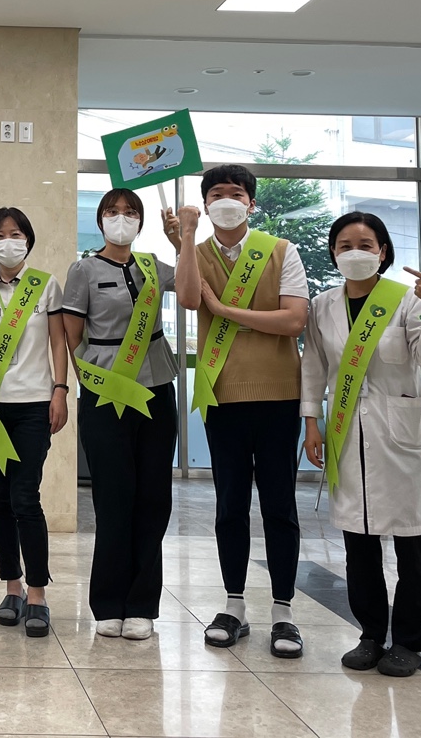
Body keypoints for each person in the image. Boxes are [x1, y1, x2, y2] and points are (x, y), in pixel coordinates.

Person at [301, 212, 421, 678]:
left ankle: (409, 642)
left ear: (382, 251)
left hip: (397, 433)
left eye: (365, 244)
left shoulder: (406, 299)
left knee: (412, 544)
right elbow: (314, 368)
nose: (355, 252)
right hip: (347, 431)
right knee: (358, 543)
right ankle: (370, 635)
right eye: (344, 245)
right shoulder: (322, 305)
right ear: (333, 253)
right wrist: (311, 423)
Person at [61, 190, 196, 641]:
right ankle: (108, 602)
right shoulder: (83, 270)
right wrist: (84, 383)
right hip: (105, 393)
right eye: (113, 212)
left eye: (131, 212)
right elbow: (71, 336)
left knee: (153, 498)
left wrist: (183, 240)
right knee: (113, 498)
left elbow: (192, 294)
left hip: (155, 388)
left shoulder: (153, 266)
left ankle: (142, 604)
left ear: (141, 221)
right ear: (100, 220)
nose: (122, 219)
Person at [191, 165, 309, 659]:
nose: (226, 201)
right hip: (222, 395)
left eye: (236, 193)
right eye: (216, 194)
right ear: (205, 204)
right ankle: (234, 605)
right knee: (229, 506)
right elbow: (188, 299)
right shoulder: (195, 254)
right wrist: (183, 239)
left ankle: (283, 612)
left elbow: (294, 320)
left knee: (280, 505)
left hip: (279, 394)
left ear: (251, 203)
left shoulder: (281, 250)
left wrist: (225, 311)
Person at [0, 207, 69, 638]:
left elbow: (58, 341)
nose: (7, 241)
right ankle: (12, 587)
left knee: (26, 497)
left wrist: (61, 389)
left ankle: (37, 593)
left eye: (15, 234)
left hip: (34, 403)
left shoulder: (45, 284)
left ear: (28, 239)